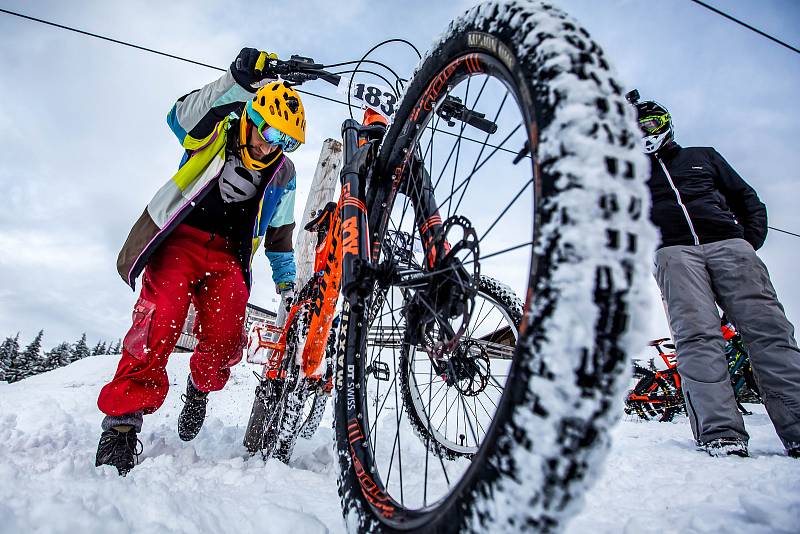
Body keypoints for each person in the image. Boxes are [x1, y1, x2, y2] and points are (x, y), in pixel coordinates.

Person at [95, 48, 305, 475]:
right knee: (161, 317)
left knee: (227, 333)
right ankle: (121, 424)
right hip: (180, 242)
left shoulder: (283, 174)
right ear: (252, 115)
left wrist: (287, 284)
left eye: (285, 141)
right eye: (268, 130)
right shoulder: (219, 126)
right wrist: (235, 79)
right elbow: (179, 117)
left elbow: (281, 237)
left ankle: (199, 387)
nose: (270, 145)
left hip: (228, 256)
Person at [629, 90, 800, 458]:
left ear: (666, 124)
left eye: (650, 123)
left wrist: (746, 242)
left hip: (728, 246)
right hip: (674, 254)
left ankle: (797, 425)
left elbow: (745, 197)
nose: (644, 131)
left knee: (769, 332)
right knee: (696, 339)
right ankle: (721, 434)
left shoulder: (701, 157)